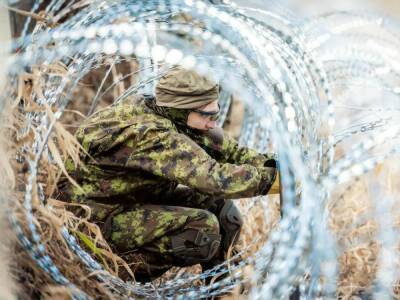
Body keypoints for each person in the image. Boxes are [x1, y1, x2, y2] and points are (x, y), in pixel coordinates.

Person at [57, 67, 280, 282]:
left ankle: (221, 289)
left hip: (129, 202)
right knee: (202, 229)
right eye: (208, 115)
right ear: (184, 109)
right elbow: (215, 178)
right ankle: (115, 273)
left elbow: (230, 152)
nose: (213, 122)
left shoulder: (177, 117)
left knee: (221, 210)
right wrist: (277, 182)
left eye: (216, 112)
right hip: (93, 222)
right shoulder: (151, 134)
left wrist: (277, 166)